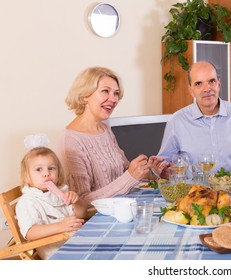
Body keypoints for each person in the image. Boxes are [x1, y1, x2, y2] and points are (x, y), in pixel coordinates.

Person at [58, 66, 168, 205]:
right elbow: (80, 203)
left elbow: (124, 172)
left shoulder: (104, 129)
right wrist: (131, 176)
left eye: (116, 93)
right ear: (85, 95)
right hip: (95, 220)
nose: (113, 99)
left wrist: (149, 172)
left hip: (122, 208)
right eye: (105, 91)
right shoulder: (71, 140)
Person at [157, 61, 231, 176]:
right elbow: (164, 164)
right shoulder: (177, 121)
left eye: (211, 81)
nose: (207, 89)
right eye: (198, 84)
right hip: (195, 192)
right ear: (191, 91)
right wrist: (162, 170)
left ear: (218, 84)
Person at [16, 135, 89, 259]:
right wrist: (61, 226)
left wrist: (77, 202)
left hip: (79, 244)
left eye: (51, 168)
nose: (46, 173)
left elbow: (82, 214)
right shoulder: (27, 202)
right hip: (59, 254)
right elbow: (30, 233)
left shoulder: (61, 192)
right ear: (27, 176)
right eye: (39, 169)